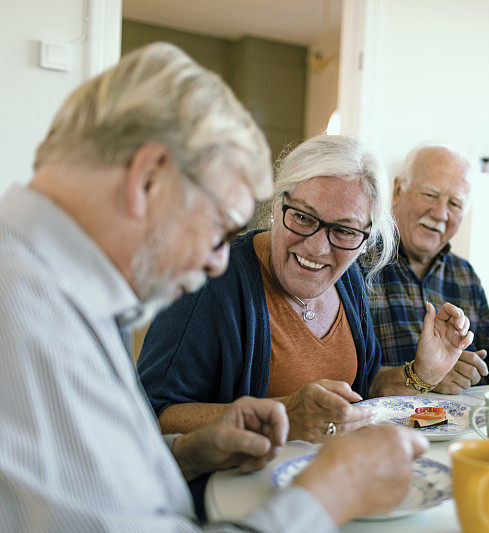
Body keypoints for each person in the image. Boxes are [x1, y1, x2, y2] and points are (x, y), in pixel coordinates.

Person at [0, 42, 428, 532]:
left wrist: (186, 455)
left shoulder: (64, 292)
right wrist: (332, 493)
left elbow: (104, 487)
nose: (220, 260)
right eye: (221, 228)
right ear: (149, 180)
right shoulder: (27, 322)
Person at [137, 135, 475, 442]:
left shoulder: (349, 279)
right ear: (277, 205)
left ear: (366, 237)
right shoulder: (212, 280)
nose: (316, 248)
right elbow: (151, 413)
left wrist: (423, 373)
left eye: (344, 231)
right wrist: (284, 415)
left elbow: (361, 390)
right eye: (302, 217)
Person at [364, 143, 489, 394]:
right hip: (382, 429)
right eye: (430, 195)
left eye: (455, 203)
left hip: (461, 428)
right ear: (398, 190)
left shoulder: (465, 274)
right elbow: (346, 375)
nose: (440, 213)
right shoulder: (357, 262)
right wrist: (426, 376)